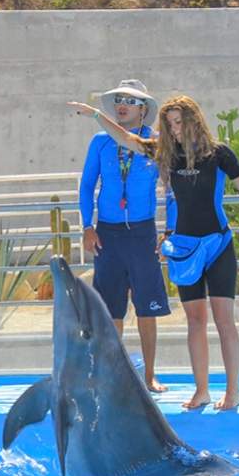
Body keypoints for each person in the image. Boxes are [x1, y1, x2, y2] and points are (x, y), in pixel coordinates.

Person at [70, 93, 239, 411]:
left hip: (217, 244)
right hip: (185, 250)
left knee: (224, 320)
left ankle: (233, 392)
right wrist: (95, 115)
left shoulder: (219, 154)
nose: (173, 129)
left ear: (193, 121)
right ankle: (202, 391)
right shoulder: (166, 154)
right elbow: (127, 138)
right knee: (195, 321)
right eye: (169, 124)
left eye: (178, 122)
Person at [74, 79, 170, 393]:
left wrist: (169, 230)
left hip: (142, 233)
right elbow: (87, 186)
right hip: (108, 235)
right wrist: (87, 226)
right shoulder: (100, 142)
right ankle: (114, 376)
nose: (122, 105)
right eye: (118, 99)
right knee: (111, 309)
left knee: (147, 307)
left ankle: (150, 374)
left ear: (144, 109)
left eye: (130, 100)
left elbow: (171, 190)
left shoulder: (156, 143)